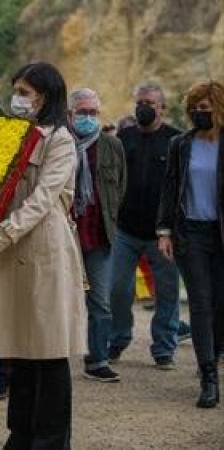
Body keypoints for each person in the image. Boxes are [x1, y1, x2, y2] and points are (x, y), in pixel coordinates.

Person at [0, 61, 86, 449]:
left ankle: (51, 441)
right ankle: (20, 436)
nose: (17, 99)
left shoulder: (60, 139)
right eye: (15, 90)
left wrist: (1, 234)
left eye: (25, 93)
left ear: (45, 97)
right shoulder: (13, 134)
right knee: (18, 352)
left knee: (48, 354)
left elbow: (42, 200)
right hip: (9, 247)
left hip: (41, 251)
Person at [157, 80, 224, 408]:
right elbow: (170, 189)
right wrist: (164, 231)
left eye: (206, 109)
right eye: (195, 109)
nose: (200, 114)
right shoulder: (180, 144)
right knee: (200, 303)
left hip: (221, 233)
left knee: (219, 305)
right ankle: (208, 376)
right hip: (191, 233)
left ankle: (216, 351)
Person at [109, 83, 183, 369]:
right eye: (140, 102)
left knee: (167, 292)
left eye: (150, 103)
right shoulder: (123, 137)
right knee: (117, 289)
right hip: (124, 230)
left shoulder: (176, 140)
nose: (144, 107)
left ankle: (164, 348)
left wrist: (174, 228)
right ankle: (117, 339)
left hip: (163, 233)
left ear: (162, 108)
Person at [67, 88, 127, 383]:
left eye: (93, 112)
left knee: (100, 300)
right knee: (56, 299)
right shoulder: (60, 142)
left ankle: (97, 359)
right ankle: (47, 359)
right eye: (83, 112)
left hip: (98, 233)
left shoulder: (112, 146)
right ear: (70, 114)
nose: (88, 118)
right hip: (64, 235)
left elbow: (120, 187)